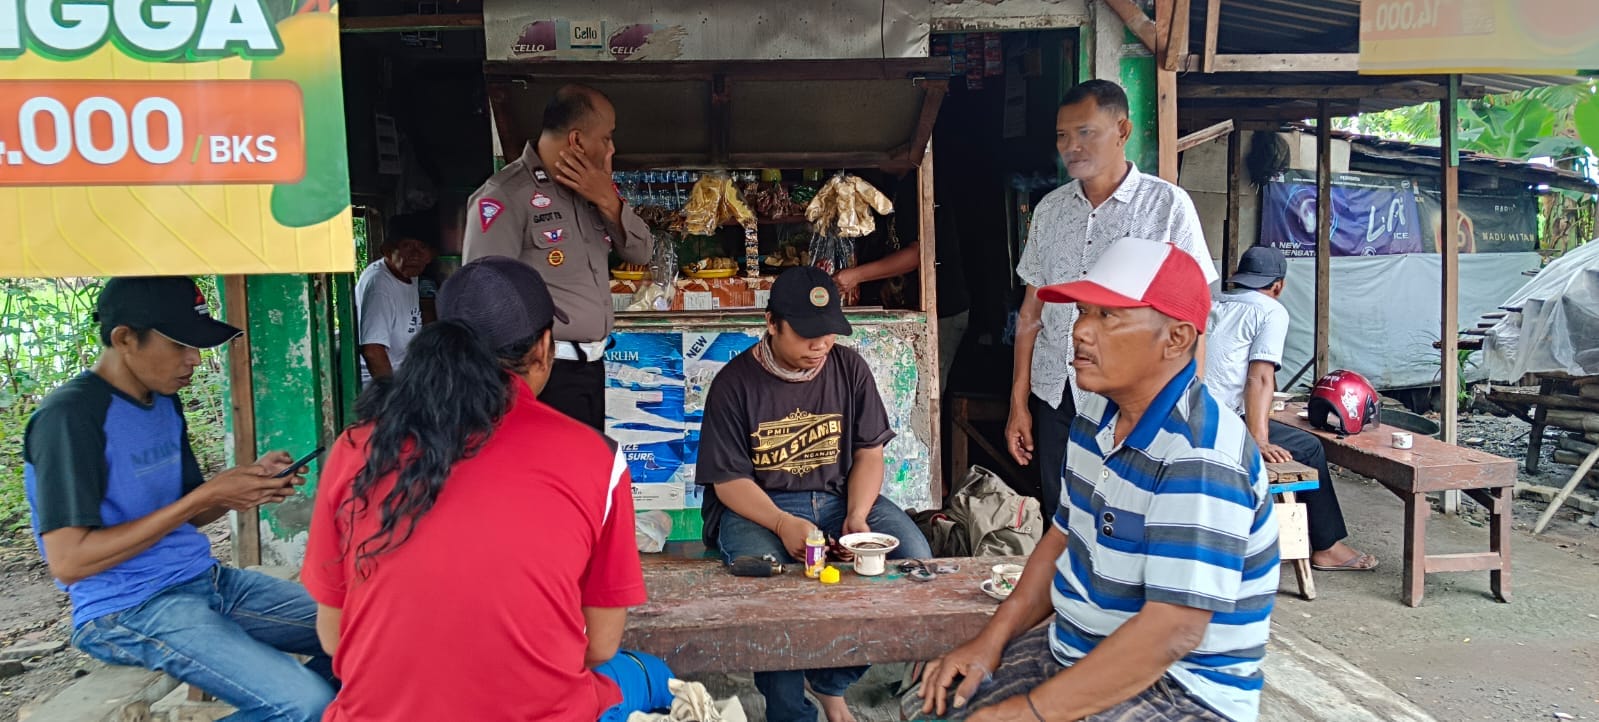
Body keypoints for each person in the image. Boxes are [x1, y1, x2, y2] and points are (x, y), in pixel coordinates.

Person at [915, 237, 1278, 722]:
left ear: (1177, 338)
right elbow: (1061, 540)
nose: (1080, 332)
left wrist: (1029, 712)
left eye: (1107, 316)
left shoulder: (1199, 456)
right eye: (1083, 313)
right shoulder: (1094, 416)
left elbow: (1173, 632)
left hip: (1181, 686)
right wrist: (988, 643)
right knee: (935, 703)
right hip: (1074, 645)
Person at [302, 256, 648, 721]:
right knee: (647, 675)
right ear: (544, 348)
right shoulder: (596, 460)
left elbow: (333, 636)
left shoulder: (357, 448)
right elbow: (600, 644)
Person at [23, 276, 334, 721]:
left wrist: (242, 489)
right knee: (304, 704)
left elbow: (189, 512)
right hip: (127, 608)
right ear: (124, 338)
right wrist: (206, 495)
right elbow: (70, 561)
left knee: (365, 634)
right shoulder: (69, 418)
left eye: (198, 345)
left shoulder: (163, 401)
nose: (195, 360)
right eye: (180, 346)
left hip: (206, 583)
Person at [695, 267, 933, 722]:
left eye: (829, 333)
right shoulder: (733, 383)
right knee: (774, 587)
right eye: (807, 334)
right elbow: (729, 482)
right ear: (771, 323)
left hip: (840, 499)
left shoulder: (849, 367)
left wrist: (858, 518)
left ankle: (830, 680)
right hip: (761, 509)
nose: (820, 344)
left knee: (911, 558)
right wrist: (783, 524)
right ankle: (789, 711)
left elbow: (869, 452)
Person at [1007, 79, 1219, 523]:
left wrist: (1188, 405)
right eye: (1063, 136)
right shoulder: (1050, 210)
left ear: (1122, 130)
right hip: (1058, 392)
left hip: (1136, 395)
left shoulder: (1166, 207)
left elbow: (1196, 315)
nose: (1072, 146)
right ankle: (1067, 592)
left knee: (1132, 514)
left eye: (1086, 132)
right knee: (1063, 516)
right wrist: (1019, 403)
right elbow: (1032, 314)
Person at [463, 83, 653, 430]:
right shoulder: (506, 196)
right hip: (540, 377)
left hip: (591, 369)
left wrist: (609, 201)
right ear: (577, 141)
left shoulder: (591, 191)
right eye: (606, 138)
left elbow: (640, 251)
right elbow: (482, 302)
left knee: (584, 476)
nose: (612, 148)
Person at [1204, 246, 1376, 572]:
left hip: (1194, 413)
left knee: (1291, 441)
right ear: (1278, 285)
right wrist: (1259, 439)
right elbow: (1260, 376)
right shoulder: (1270, 310)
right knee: (1310, 447)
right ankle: (1327, 547)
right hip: (1223, 423)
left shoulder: (1215, 303)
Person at [832, 174, 971, 391]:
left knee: (925, 390)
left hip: (943, 310)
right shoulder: (896, 185)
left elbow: (917, 255)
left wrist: (856, 276)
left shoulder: (921, 185)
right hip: (916, 305)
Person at [356, 212, 438, 384]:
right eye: (407, 246)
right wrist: (393, 397)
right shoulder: (380, 285)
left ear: (430, 255)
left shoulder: (410, 273)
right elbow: (373, 350)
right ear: (387, 250)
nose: (415, 254)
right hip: (378, 385)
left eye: (422, 247)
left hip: (405, 376)